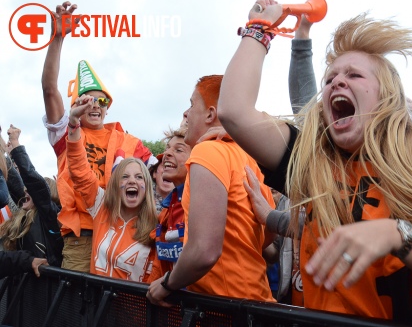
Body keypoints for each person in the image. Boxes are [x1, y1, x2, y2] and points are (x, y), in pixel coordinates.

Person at [217, 0, 412, 326]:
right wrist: (259, 28)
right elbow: (234, 111)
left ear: (386, 97)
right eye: (329, 80)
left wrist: (398, 235)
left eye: (354, 75)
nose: (336, 82)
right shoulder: (316, 165)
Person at [41, 1, 156, 272]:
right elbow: (49, 89)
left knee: (118, 306)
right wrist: (57, 37)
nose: (95, 105)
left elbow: (161, 179)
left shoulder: (129, 142)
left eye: (101, 100)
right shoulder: (65, 133)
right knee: (79, 307)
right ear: (76, 106)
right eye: (87, 100)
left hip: (123, 231)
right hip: (83, 236)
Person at [147, 75, 276, 306]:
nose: (185, 114)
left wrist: (167, 284)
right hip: (255, 303)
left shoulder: (208, 151)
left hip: (226, 307)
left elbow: (204, 251)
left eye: (191, 104)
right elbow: (269, 234)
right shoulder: (250, 158)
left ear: (210, 113)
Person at [65, 100, 157, 282]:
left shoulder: (158, 225)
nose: (132, 180)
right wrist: (73, 122)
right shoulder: (101, 207)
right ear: (115, 185)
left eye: (139, 177)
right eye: (125, 177)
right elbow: (80, 171)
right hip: (97, 307)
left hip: (132, 309)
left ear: (147, 186)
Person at [0, 125, 63, 267]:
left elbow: (34, 182)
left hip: (43, 285)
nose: (26, 191)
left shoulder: (49, 217)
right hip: (22, 283)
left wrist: (16, 144)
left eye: (31, 191)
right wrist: (5, 156)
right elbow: (14, 181)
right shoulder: (25, 212)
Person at [148, 129, 191, 283]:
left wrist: (167, 286)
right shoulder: (167, 209)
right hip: (173, 302)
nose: (167, 154)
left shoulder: (203, 203)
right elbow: (161, 265)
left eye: (178, 150)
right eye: (167, 148)